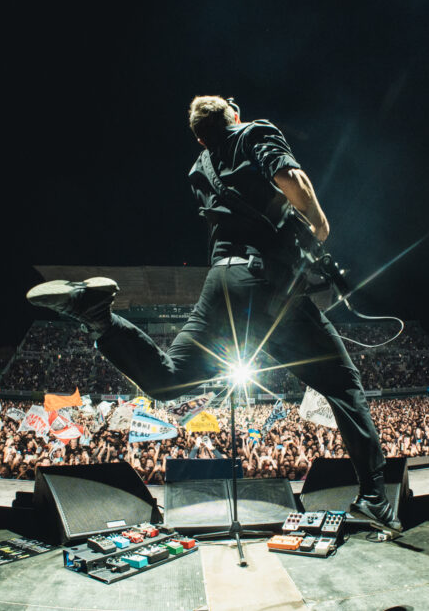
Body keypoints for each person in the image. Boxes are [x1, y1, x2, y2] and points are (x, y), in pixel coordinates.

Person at [27, 96, 401, 532]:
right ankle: (374, 498)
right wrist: (318, 226)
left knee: (168, 379)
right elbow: (292, 179)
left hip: (220, 283)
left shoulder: (198, 168)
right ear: (234, 116)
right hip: (263, 285)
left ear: (200, 138)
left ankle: (99, 319)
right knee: (343, 385)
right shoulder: (254, 131)